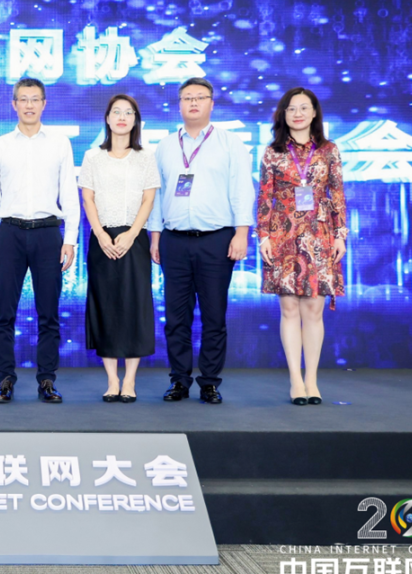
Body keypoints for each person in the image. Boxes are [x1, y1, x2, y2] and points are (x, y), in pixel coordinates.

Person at [148, 77, 255, 405]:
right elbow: (156, 195)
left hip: (217, 240)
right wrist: (155, 236)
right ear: (179, 104)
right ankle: (179, 381)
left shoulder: (230, 143)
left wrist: (241, 232)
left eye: (200, 97)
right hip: (174, 241)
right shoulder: (165, 146)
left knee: (213, 316)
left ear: (211, 103)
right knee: (176, 317)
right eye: (187, 98)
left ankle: (209, 382)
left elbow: (242, 189)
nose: (193, 103)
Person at [0, 77, 80, 404]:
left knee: (48, 313)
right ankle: (5, 379)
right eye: (23, 99)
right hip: (8, 233)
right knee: (3, 313)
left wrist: (71, 239)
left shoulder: (59, 143)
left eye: (35, 99)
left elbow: (69, 193)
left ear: (44, 104)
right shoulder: (0, 145)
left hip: (48, 233)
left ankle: (47, 379)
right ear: (14, 104)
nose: (29, 105)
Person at [257, 87, 347, 406]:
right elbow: (265, 196)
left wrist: (341, 235)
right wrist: (263, 236)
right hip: (282, 234)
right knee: (289, 309)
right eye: (291, 108)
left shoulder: (329, 150)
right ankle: (296, 379)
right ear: (283, 114)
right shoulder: (272, 152)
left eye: (304, 107)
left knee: (313, 309)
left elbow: (337, 193)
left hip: (320, 234)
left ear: (314, 113)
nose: (298, 113)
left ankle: (312, 380)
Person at [79, 94, 159, 403]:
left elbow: (149, 199)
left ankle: (130, 380)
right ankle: (112, 379)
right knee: (106, 306)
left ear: (136, 120)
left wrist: (132, 233)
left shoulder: (145, 157)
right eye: (116, 112)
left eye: (128, 112)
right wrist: (100, 233)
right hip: (102, 239)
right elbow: (88, 198)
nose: (122, 117)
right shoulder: (93, 157)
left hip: (134, 238)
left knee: (134, 306)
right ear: (108, 119)